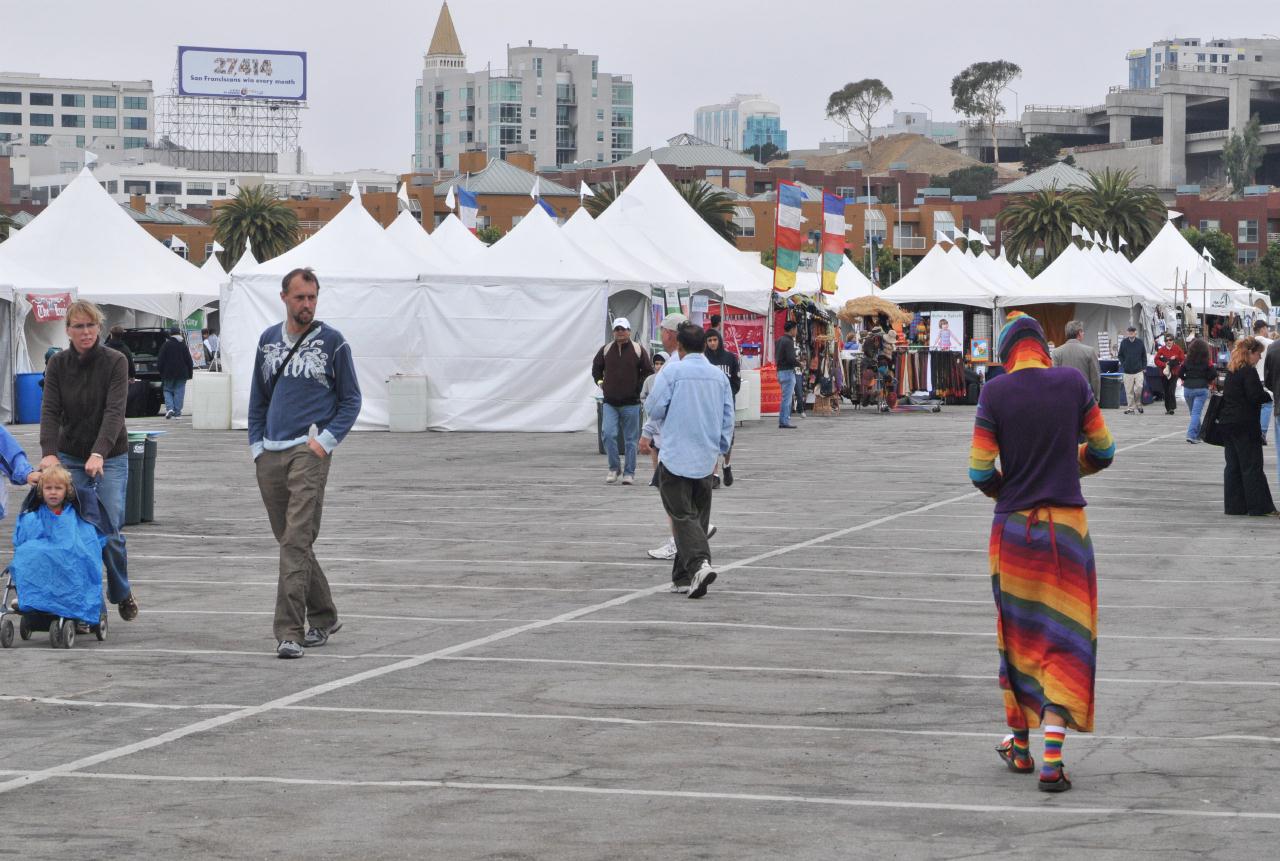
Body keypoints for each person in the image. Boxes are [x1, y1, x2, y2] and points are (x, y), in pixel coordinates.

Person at [969, 312, 1115, 794]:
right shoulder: (1072, 383)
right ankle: (1053, 755)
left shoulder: (994, 392)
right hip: (1068, 533)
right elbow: (1104, 449)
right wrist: (1069, 468)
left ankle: (1020, 746)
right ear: (1042, 345)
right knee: (1067, 637)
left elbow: (979, 472)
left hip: (1012, 534)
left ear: (1009, 350)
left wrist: (1010, 490)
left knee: (1018, 639)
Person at [248, 268, 362, 659]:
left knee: (296, 540)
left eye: (312, 297)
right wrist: (256, 447)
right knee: (291, 541)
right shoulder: (267, 341)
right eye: (300, 298)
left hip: (309, 452)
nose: (307, 305)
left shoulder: (333, 343)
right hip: (270, 453)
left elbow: (351, 400)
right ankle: (326, 615)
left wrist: (325, 442)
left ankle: (289, 631)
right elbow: (258, 398)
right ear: (284, 298)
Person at [39, 300, 137, 622]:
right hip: (70, 454)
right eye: (78, 326)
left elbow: (114, 412)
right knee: (77, 532)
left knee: (107, 530)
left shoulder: (116, 362)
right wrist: (49, 453)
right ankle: (85, 606)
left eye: (90, 325)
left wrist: (100, 452)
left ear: (100, 327)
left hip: (110, 455)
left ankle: (121, 591)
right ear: (67, 330)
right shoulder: (57, 365)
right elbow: (50, 411)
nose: (85, 332)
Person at [640, 323, 734, 599]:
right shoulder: (719, 377)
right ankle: (682, 578)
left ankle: (699, 564)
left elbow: (654, 407)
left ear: (679, 346)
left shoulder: (672, 372)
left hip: (675, 455)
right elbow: (728, 417)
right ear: (705, 344)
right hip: (705, 456)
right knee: (698, 516)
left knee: (681, 515)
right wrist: (721, 449)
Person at [9, 466, 108, 630]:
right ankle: (30, 597)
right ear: (41, 490)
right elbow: (23, 538)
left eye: (58, 488)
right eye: (48, 488)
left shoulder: (76, 517)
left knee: (70, 556)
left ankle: (67, 602)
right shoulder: (33, 516)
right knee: (27, 555)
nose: (53, 492)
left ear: (67, 491)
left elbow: (86, 541)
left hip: (67, 556)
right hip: (42, 557)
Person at [1217, 337, 1277, 517]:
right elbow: (1254, 396)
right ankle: (1259, 506)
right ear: (1250, 353)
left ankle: (1234, 506)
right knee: (1252, 465)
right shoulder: (1248, 372)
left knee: (1233, 466)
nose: (1259, 358)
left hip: (1228, 424)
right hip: (1245, 424)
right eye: (1258, 354)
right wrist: (1267, 396)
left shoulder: (1232, 371)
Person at [591, 317, 654, 485]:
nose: (620, 332)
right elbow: (596, 369)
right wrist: (601, 383)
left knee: (631, 440)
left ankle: (629, 473)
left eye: (623, 329)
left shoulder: (638, 349)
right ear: (613, 331)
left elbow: (648, 371)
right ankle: (614, 468)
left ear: (629, 331)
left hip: (631, 403)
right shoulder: (605, 350)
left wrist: (638, 387)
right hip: (610, 402)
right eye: (617, 329)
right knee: (608, 434)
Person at [703, 328, 740, 488]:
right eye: (709, 340)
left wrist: (727, 396)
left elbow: (736, 382)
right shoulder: (703, 359)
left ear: (719, 340)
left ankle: (726, 465)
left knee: (728, 438)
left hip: (727, 405)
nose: (712, 343)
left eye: (715, 340)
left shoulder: (730, 358)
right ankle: (714, 474)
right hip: (709, 405)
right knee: (711, 438)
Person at [1051, 320, 1101, 401]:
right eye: (1083, 331)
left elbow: (1054, 377)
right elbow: (1095, 378)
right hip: (1084, 397)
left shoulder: (1056, 352)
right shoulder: (1090, 351)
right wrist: (1096, 398)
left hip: (1063, 397)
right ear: (1079, 332)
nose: (1083, 333)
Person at [1180, 337, 1217, 443]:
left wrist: (1186, 379)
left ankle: (1200, 434)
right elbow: (1213, 373)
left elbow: (1180, 373)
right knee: (1196, 414)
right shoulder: (1207, 362)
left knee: (1194, 413)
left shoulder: (1186, 360)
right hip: (1201, 389)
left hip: (1188, 389)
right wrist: (1207, 380)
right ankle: (1191, 435)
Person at [157, 325, 195, 419]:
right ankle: (177, 413)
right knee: (179, 392)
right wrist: (190, 373)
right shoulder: (183, 345)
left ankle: (170, 409)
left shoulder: (166, 345)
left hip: (168, 373)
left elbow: (160, 360)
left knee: (167, 390)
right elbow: (189, 361)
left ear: (171, 334)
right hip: (182, 373)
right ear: (179, 333)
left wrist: (160, 371)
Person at [1116, 326, 1146, 414]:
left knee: (1139, 388)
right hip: (1127, 371)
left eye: (1133, 331)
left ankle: (1138, 404)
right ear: (1127, 332)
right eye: (1129, 331)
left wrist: (1144, 367)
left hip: (1138, 370)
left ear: (1136, 332)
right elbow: (1120, 355)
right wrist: (1124, 363)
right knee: (1129, 391)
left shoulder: (1140, 342)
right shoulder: (1124, 342)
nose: (1131, 332)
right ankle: (1131, 408)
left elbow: (1144, 356)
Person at [1251, 320, 1273, 442]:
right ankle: (1262, 433)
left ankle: (1254, 431)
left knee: (1254, 406)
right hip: (1265, 379)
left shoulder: (1249, 342)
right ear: (1263, 328)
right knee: (1267, 404)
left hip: (1251, 377)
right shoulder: (1270, 343)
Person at [775, 320, 799, 429]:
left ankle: (783, 420)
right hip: (788, 372)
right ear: (792, 329)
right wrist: (800, 364)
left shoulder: (779, 340)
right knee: (787, 398)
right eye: (796, 329)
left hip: (780, 371)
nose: (797, 331)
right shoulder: (789, 341)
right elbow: (791, 359)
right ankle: (784, 421)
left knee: (785, 397)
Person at [1153, 335, 1185, 416]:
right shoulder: (1162, 349)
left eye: (1170, 340)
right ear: (1165, 341)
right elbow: (1156, 360)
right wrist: (1164, 364)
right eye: (1167, 340)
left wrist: (1176, 357)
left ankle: (1172, 407)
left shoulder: (1177, 348)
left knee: (1171, 389)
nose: (1168, 341)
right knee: (1166, 391)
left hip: (1174, 372)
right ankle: (1168, 408)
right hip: (1164, 373)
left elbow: (1182, 358)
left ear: (1173, 340)